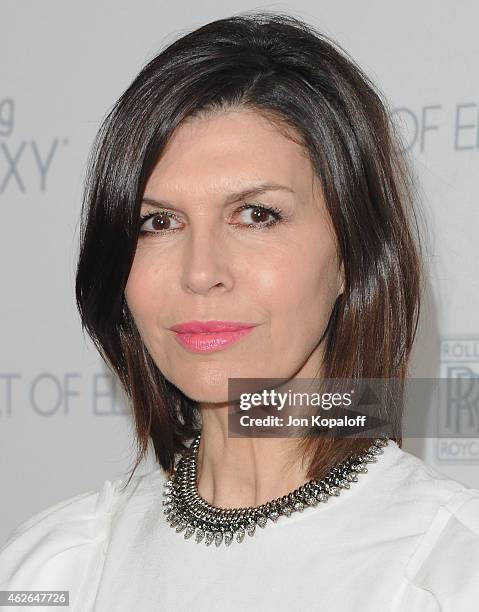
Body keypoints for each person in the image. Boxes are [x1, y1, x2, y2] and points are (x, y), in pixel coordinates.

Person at [1, 11, 478, 612]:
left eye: (257, 215)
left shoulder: (449, 572)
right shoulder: (56, 569)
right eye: (159, 222)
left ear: (353, 256)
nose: (201, 272)